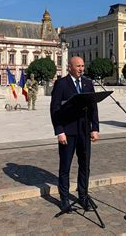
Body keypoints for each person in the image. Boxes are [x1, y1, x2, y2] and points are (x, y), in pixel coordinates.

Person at [50, 56, 99, 212]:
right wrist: (60, 131)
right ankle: (64, 199)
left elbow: (93, 108)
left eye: (83, 66)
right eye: (78, 66)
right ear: (70, 67)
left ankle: (83, 196)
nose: (81, 69)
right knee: (65, 167)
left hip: (84, 131)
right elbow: (55, 109)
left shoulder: (88, 83)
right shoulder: (61, 84)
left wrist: (95, 128)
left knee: (85, 166)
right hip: (68, 132)